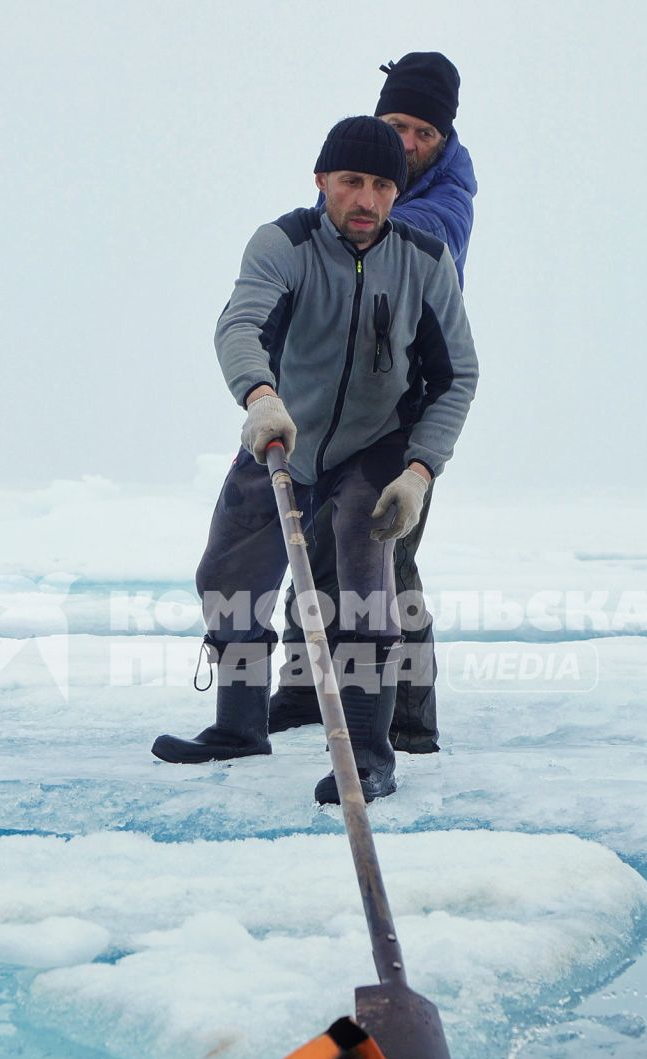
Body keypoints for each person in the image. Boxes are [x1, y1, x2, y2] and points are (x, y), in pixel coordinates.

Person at [151, 116, 478, 805]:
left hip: (376, 448)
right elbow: (240, 323)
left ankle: (368, 754)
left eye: (382, 185)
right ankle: (239, 727)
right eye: (351, 181)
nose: (365, 199)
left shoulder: (424, 259)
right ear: (321, 181)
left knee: (363, 593)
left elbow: (458, 376)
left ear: (397, 192)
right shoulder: (284, 244)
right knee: (226, 574)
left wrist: (420, 472)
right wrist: (261, 398)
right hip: (283, 435)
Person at [268, 52, 477, 754]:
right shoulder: (370, 183)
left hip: (404, 415)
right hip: (332, 409)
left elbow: (399, 258)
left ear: (445, 138)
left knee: (388, 560)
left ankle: (409, 723)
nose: (411, 143)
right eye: (399, 126)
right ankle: (303, 693)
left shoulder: (441, 207)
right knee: (319, 544)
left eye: (425, 132)